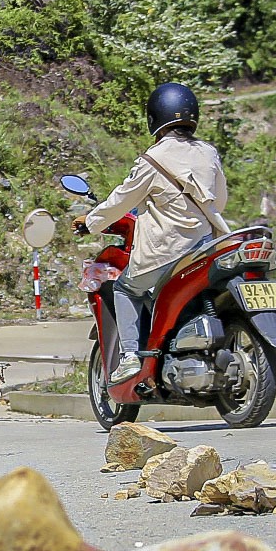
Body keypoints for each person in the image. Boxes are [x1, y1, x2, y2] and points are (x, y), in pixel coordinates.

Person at [82, 82, 229, 385]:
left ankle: (129, 357)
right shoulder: (209, 153)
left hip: (166, 252)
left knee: (125, 289)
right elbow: (220, 200)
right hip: (205, 248)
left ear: (155, 118)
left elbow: (120, 201)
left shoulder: (153, 160)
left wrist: (91, 222)